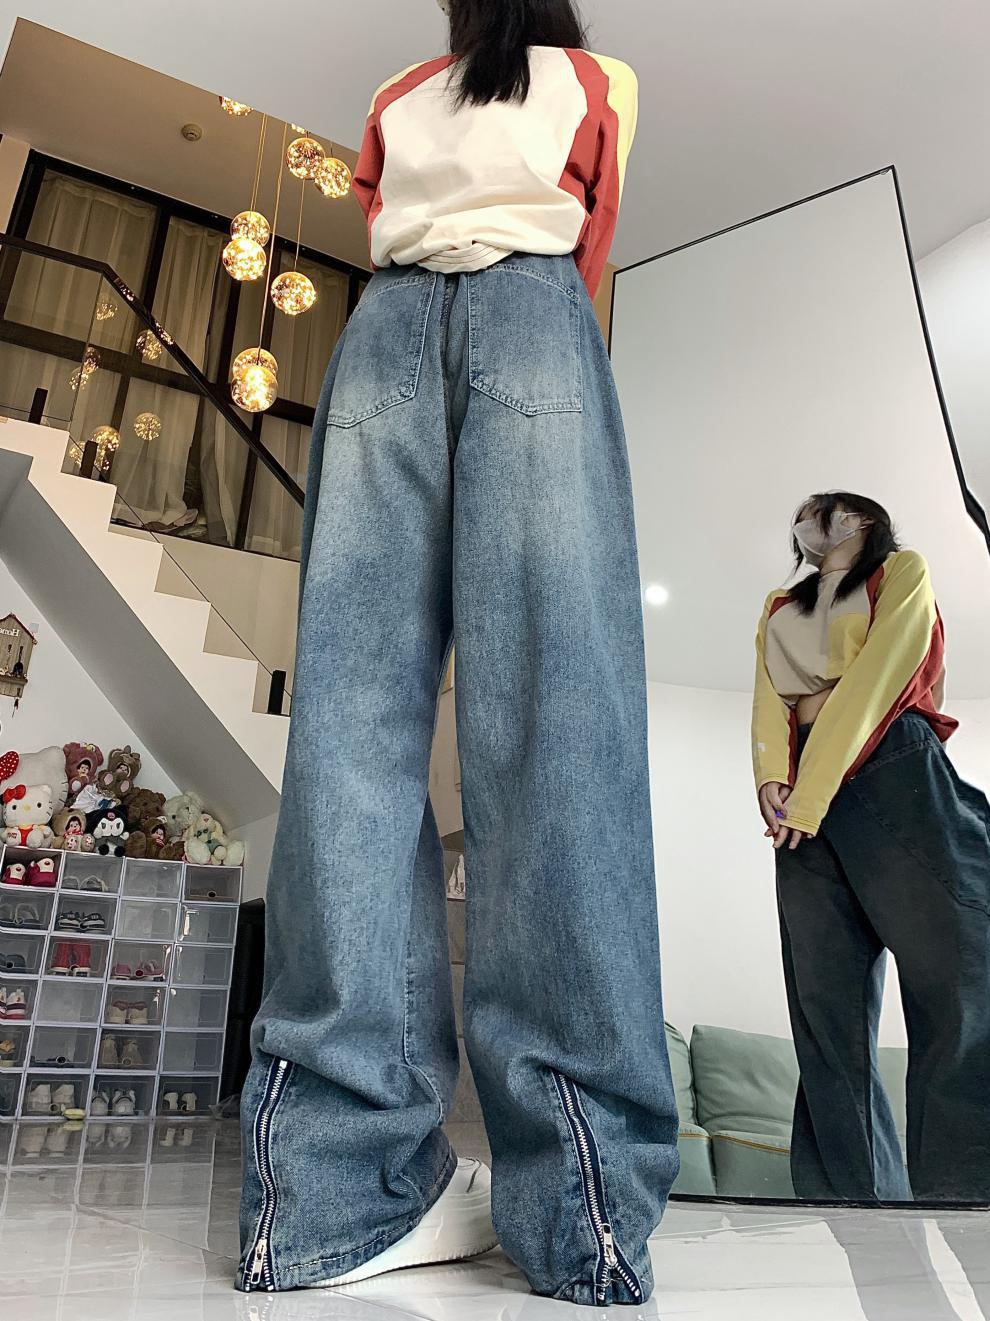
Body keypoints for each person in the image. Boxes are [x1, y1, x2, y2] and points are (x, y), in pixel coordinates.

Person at [237, 0, 680, 1306]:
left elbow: (381, 212)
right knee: (556, 729)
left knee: (350, 739)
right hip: (533, 315)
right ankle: (579, 1209)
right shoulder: (597, 75)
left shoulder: (397, 90)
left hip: (380, 336)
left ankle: (319, 1202)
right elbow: (591, 235)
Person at [752, 490, 990, 1202]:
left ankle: (969, 1202)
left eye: (821, 509)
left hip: (891, 764)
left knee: (961, 977)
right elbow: (769, 698)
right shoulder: (780, 605)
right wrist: (771, 777)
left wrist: (811, 793)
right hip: (803, 797)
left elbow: (877, 684)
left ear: (860, 519)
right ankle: (857, 1214)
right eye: (801, 514)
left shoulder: (901, 572)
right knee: (825, 1012)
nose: (806, 520)